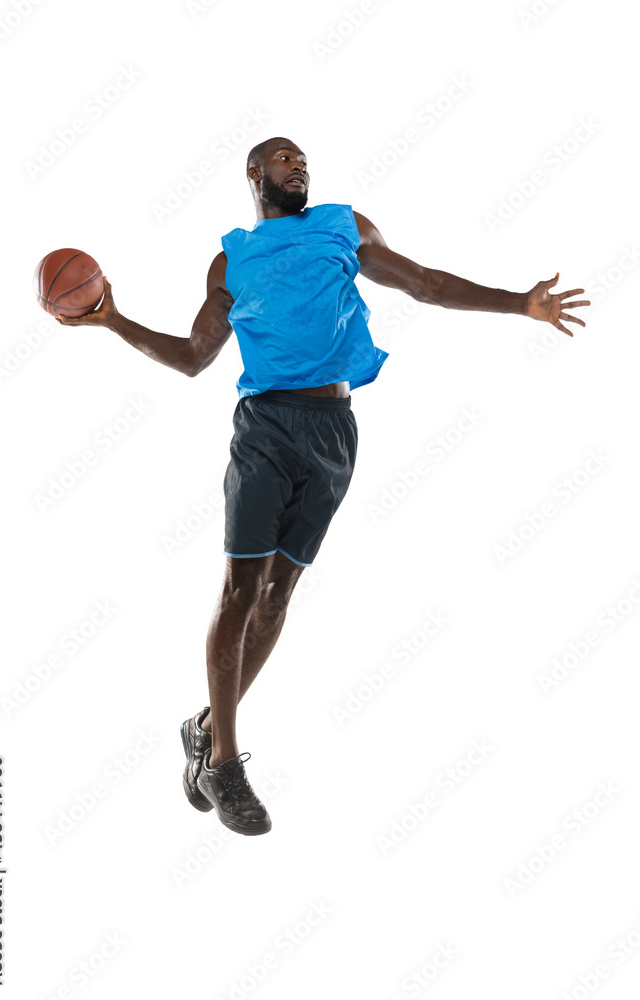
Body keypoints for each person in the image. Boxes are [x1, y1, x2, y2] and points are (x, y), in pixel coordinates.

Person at [56, 136, 590, 837]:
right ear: (254, 175)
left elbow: (423, 283)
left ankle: (206, 728)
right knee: (239, 592)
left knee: (278, 597)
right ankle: (223, 764)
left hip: (334, 429)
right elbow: (192, 358)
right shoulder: (232, 262)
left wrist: (518, 303)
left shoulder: (344, 226)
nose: (297, 165)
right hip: (265, 430)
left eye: (302, 158)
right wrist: (111, 319)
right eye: (282, 158)